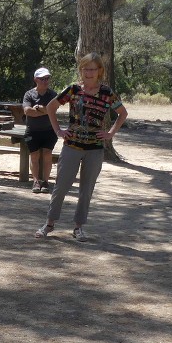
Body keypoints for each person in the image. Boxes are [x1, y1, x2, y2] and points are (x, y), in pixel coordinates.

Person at [34, 53, 126, 243]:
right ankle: (49, 224)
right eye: (85, 68)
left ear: (99, 71)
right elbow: (51, 108)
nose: (89, 73)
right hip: (72, 146)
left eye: (93, 69)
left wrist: (110, 134)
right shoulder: (73, 90)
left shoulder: (107, 93)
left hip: (95, 148)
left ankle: (78, 227)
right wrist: (58, 130)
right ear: (81, 70)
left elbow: (122, 113)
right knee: (61, 186)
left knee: (87, 189)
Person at [22, 66, 58, 193]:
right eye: (42, 78)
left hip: (50, 131)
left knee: (48, 155)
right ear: (36, 79)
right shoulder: (29, 94)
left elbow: (54, 109)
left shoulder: (53, 94)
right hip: (32, 131)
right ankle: (36, 181)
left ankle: (46, 182)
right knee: (34, 156)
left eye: (47, 78)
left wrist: (38, 108)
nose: (45, 81)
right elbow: (27, 111)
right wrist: (46, 111)